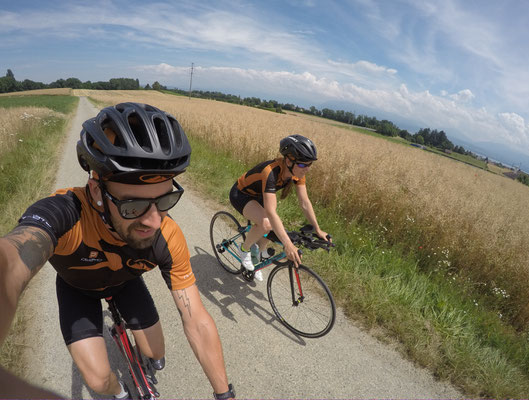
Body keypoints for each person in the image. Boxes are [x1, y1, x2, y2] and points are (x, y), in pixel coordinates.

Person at [0, 102, 235, 400]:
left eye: (164, 201)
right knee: (98, 380)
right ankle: (120, 393)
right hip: (77, 290)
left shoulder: (167, 234)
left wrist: (224, 395)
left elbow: (197, 320)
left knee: (156, 353)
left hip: (125, 283)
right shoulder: (65, 215)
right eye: (133, 205)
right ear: (97, 190)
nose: (153, 221)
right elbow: (12, 259)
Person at [229, 134, 329, 281]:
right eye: (303, 164)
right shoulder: (270, 172)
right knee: (267, 223)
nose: (306, 169)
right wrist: (288, 244)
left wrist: (318, 229)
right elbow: (270, 212)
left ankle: (257, 256)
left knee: (273, 225)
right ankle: (244, 249)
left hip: (259, 196)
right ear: (288, 160)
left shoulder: (297, 173)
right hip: (241, 194)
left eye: (309, 165)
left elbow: (305, 202)